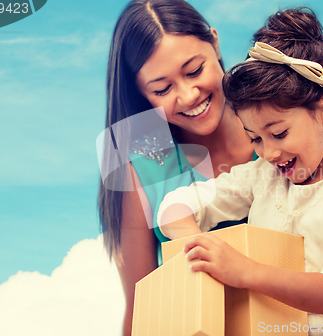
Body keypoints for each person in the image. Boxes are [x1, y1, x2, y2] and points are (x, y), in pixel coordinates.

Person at [157, 7, 323, 336]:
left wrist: (244, 271)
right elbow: (177, 205)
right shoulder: (263, 177)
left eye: (279, 133)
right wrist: (196, 244)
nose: (269, 153)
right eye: (254, 138)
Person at [97, 0, 255, 335]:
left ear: (214, 42)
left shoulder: (278, 126)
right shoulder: (142, 170)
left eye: (195, 71)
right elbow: (142, 308)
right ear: (142, 94)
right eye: (162, 88)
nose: (187, 95)